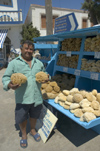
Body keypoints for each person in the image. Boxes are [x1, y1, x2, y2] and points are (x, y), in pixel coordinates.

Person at [2, 40, 49, 148]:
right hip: (22, 98)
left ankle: (32, 130)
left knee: (34, 116)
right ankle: (24, 135)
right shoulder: (14, 63)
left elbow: (45, 73)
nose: (28, 51)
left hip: (36, 96)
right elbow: (5, 77)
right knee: (21, 117)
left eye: (31, 49)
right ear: (21, 49)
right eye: (26, 48)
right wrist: (9, 84)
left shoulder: (39, 63)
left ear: (33, 51)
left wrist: (47, 78)